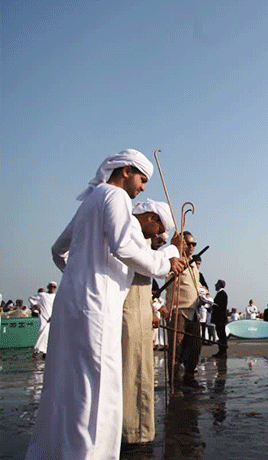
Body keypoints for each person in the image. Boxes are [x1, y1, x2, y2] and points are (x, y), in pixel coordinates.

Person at [25, 149, 186, 460]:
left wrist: (79, 274)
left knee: (65, 385)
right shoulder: (115, 196)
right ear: (125, 171)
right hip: (97, 308)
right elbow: (125, 247)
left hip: (72, 304)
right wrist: (167, 262)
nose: (142, 188)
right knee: (95, 390)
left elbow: (59, 250)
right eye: (142, 179)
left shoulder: (91, 200)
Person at [122, 199, 177, 445]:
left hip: (139, 311)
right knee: (133, 372)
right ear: (150, 217)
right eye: (160, 228)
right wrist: (172, 251)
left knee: (141, 371)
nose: (160, 235)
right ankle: (132, 433)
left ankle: (138, 431)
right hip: (128, 312)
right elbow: (149, 264)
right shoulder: (128, 231)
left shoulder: (138, 236)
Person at [165, 230, 205, 391]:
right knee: (176, 348)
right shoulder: (173, 261)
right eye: (188, 243)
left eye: (193, 244)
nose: (191, 247)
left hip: (193, 310)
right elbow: (165, 275)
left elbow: (198, 285)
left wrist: (204, 293)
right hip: (178, 310)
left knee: (195, 347)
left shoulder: (194, 263)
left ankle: (189, 377)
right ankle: (174, 382)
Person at [29, 282, 57, 358]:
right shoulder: (42, 295)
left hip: (52, 318)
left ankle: (44, 352)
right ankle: (37, 351)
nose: (52, 288)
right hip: (43, 316)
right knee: (42, 332)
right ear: (48, 287)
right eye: (51, 287)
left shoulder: (56, 296)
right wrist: (35, 305)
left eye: (54, 287)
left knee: (48, 334)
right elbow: (31, 298)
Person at [211, 280, 228, 358]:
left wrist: (212, 305)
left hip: (220, 318)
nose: (215, 285)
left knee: (221, 335)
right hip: (219, 318)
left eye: (216, 284)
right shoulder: (220, 294)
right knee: (220, 334)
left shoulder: (222, 294)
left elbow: (220, 306)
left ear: (219, 285)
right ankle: (221, 350)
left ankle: (223, 351)